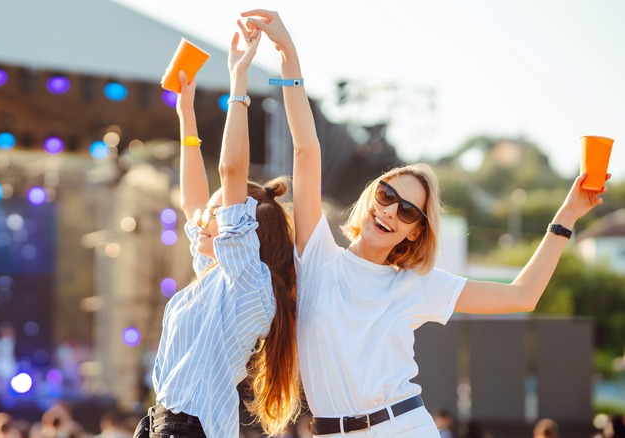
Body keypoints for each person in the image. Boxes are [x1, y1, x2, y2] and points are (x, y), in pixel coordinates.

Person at [242, 8, 610, 437]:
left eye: (408, 211)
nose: (391, 211)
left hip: (403, 427)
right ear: (370, 197)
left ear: (416, 230)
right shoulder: (319, 256)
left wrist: (565, 216)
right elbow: (306, 150)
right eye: (386, 195)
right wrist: (289, 55)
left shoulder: (415, 283)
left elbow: (523, 295)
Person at [139, 20, 299, 438]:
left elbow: (230, 171)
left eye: (219, 215)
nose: (203, 221)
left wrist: (238, 83)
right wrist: (186, 115)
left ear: (241, 231)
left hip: (189, 429)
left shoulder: (248, 281)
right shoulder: (218, 277)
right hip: (163, 424)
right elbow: (193, 203)